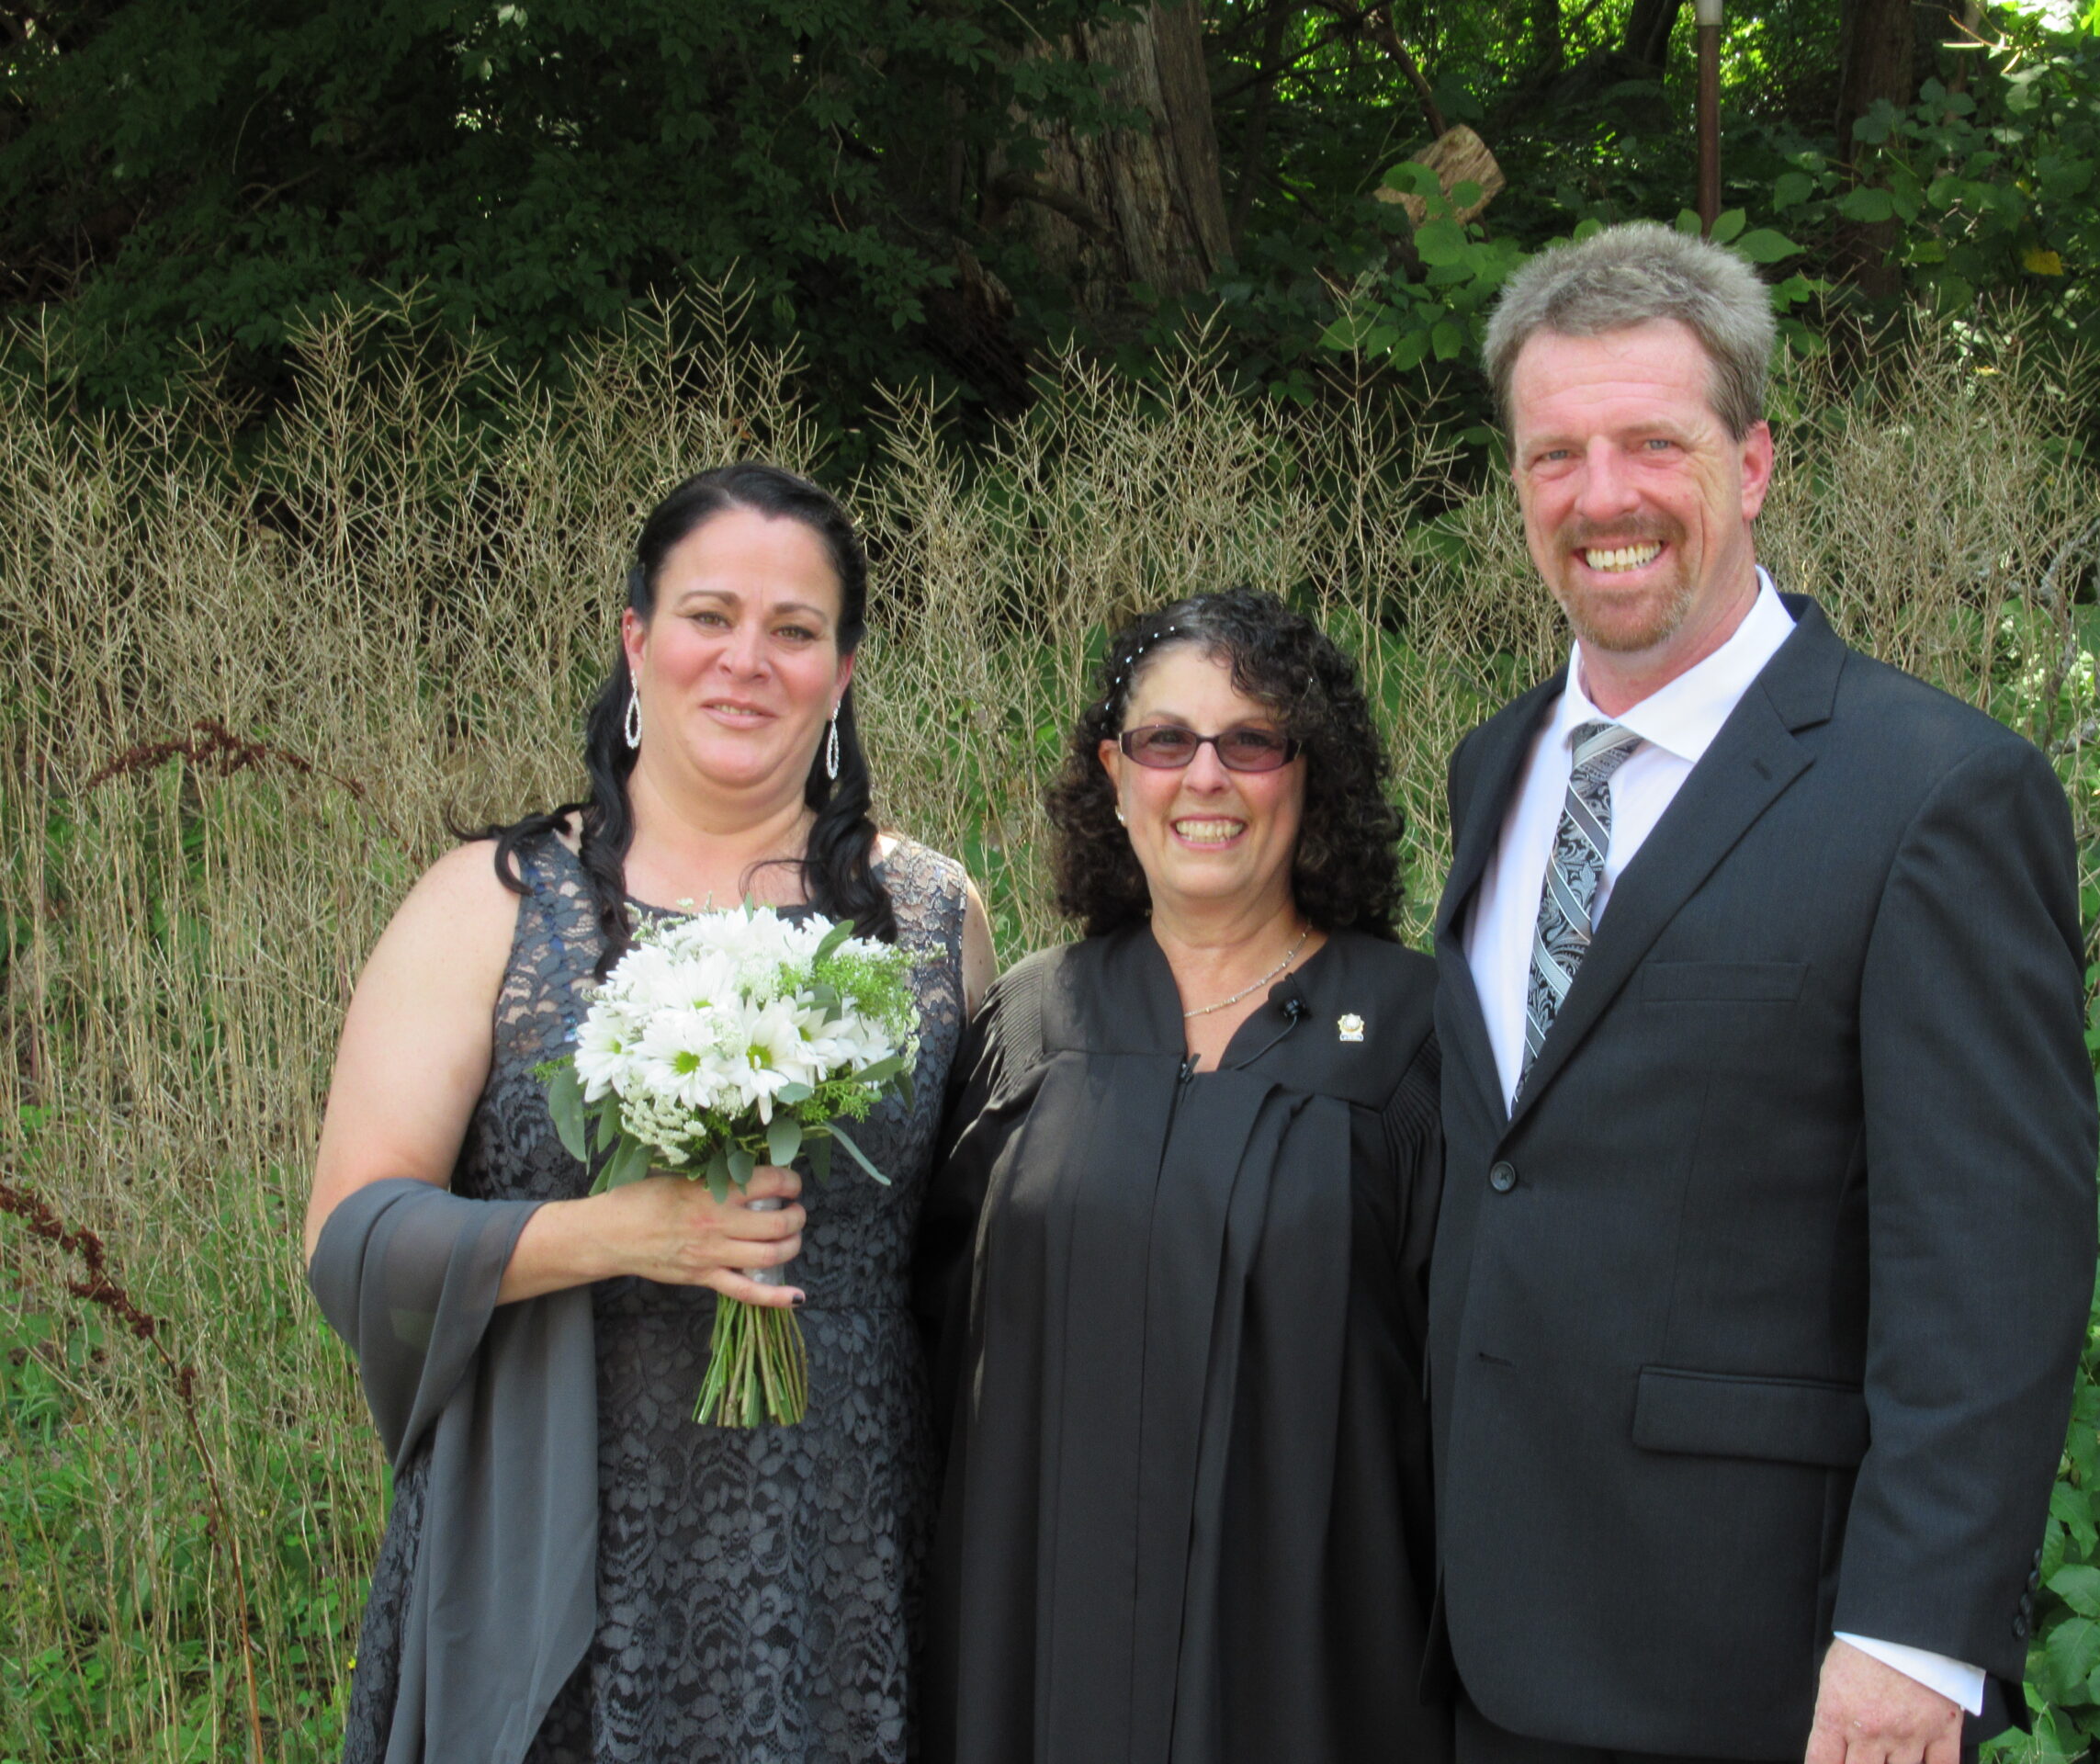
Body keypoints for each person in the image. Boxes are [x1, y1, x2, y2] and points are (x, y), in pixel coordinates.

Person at [1425, 222, 2099, 1764]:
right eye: (1555, 455)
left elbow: (1991, 1260)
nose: (1603, 499)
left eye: (1653, 443)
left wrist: (1916, 1640)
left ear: (1756, 461)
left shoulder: (1937, 792)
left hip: (1768, 1666)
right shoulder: (1496, 765)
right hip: (1486, 1634)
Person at [304, 462, 996, 1764]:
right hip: (564, 1539)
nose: (747, 661)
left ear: (843, 672)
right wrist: (618, 1234)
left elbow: (963, 1267)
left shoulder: (933, 917)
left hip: (844, 1556)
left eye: (794, 631)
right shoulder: (489, 907)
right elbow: (353, 1237)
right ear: (636, 641)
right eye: (707, 617)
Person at [919, 589, 1451, 1764]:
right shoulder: (1029, 1023)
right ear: (1116, 775)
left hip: (1316, 1663)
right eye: (1166, 740)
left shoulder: (1414, 1035)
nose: (1204, 777)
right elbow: (935, 1353)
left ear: (1311, 777)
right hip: (1035, 1648)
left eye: (1251, 741)